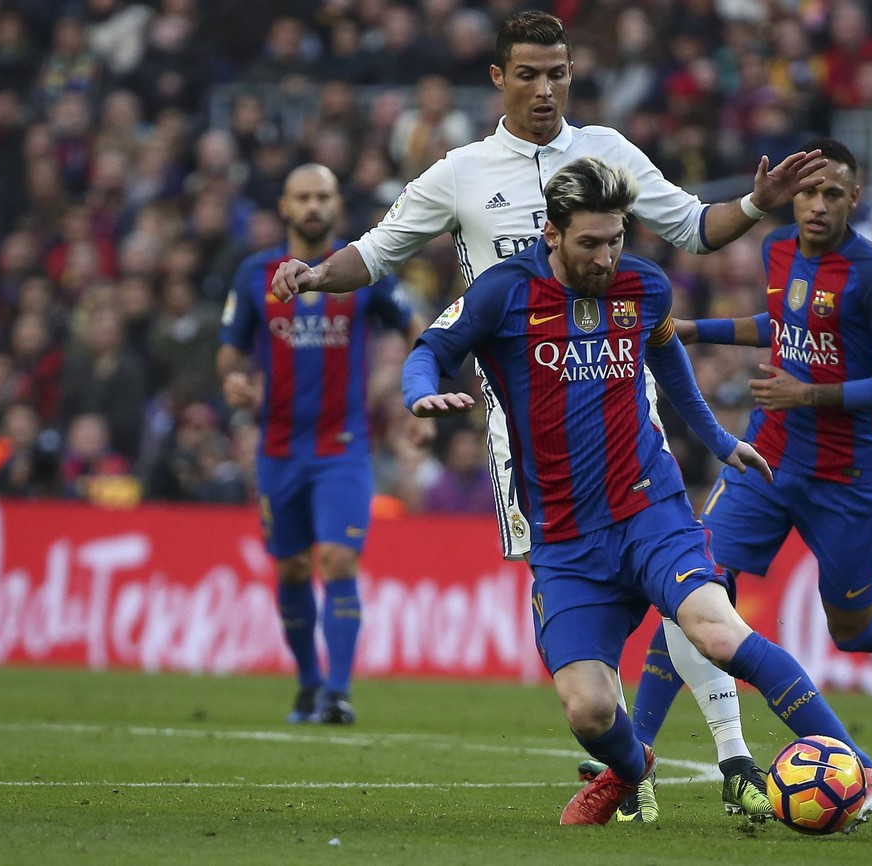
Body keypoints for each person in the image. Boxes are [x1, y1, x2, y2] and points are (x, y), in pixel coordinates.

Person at [272, 10, 827, 821]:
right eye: (528, 73)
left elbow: (693, 229)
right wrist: (316, 276)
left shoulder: (608, 151)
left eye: (558, 73)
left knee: (688, 595)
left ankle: (733, 752)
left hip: (619, 407)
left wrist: (757, 202)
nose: (545, 88)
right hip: (523, 439)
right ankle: (635, 766)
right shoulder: (461, 171)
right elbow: (382, 247)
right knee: (591, 662)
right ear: (498, 78)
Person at [402, 156, 872, 827]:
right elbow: (428, 348)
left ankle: (857, 766)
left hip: (648, 509)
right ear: (551, 233)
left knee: (718, 630)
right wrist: (421, 391)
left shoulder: (643, 286)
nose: (606, 258)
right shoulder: (502, 294)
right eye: (589, 244)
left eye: (615, 240)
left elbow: (667, 357)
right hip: (567, 541)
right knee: (589, 709)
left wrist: (719, 441)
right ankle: (632, 768)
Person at [671, 137, 872, 728]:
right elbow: (781, 323)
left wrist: (808, 394)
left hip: (843, 473)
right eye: (808, 191)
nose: (817, 204)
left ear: (854, 199)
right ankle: (639, 757)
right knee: (695, 585)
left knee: (852, 629)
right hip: (767, 458)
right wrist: (695, 329)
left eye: (832, 193)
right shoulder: (779, 247)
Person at [218, 163, 427, 725]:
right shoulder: (253, 274)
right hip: (278, 448)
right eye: (302, 197)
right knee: (289, 569)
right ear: (284, 207)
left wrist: (418, 391)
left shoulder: (363, 271)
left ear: (337, 205)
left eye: (323, 197)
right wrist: (234, 381)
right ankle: (309, 683)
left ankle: (337, 692)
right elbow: (231, 349)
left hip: (344, 449)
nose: (313, 206)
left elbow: (416, 328)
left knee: (336, 558)